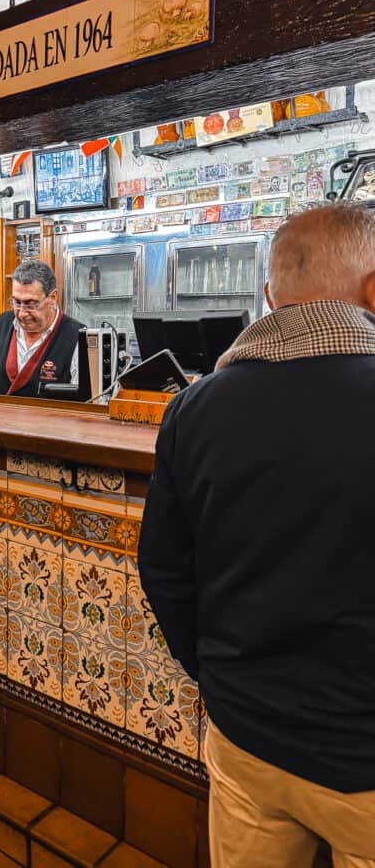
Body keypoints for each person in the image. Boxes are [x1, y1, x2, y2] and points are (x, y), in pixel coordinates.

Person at [139, 203, 375, 868]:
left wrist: (216, 676)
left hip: (245, 737)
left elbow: (162, 570)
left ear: (270, 297)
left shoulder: (194, 408)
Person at [0, 259, 84, 401]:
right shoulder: (2, 323)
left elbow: (85, 403)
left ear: (53, 298)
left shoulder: (76, 336)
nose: (22, 313)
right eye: (17, 302)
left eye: (31, 304)